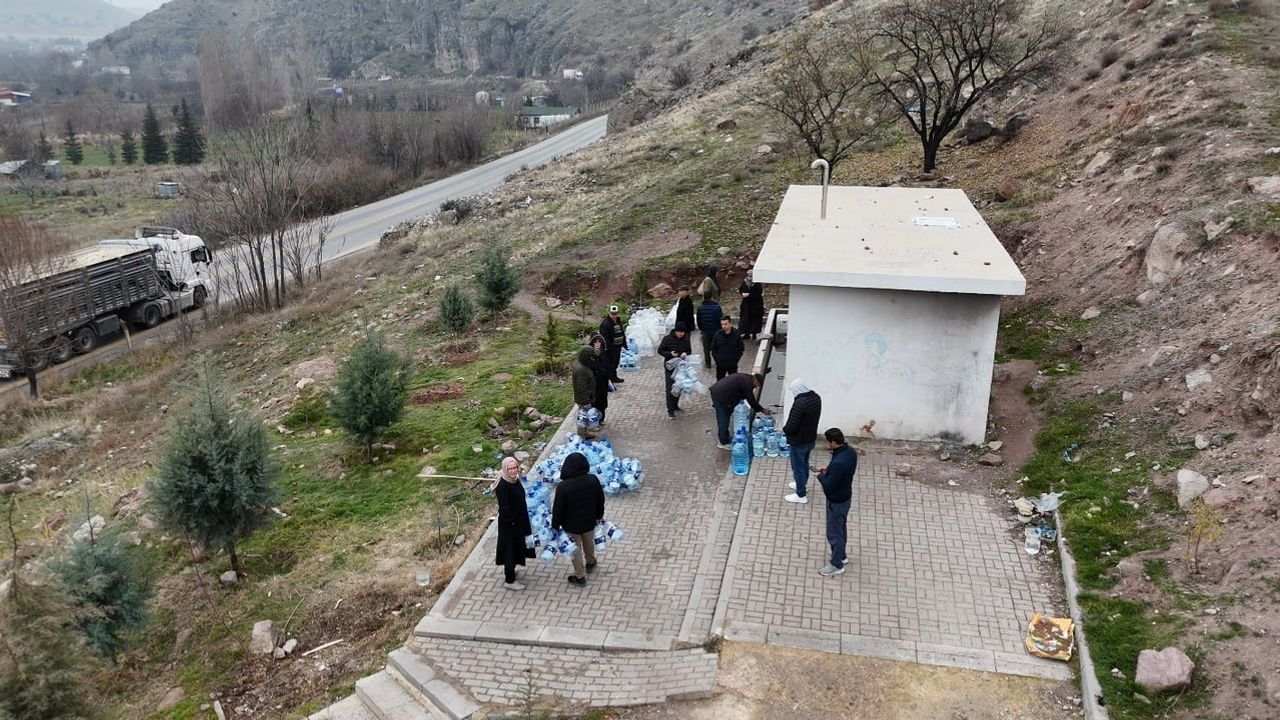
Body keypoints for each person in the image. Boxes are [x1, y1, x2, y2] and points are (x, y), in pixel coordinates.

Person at [552, 452, 605, 587]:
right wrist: (599, 515)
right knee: (589, 542)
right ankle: (590, 562)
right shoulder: (593, 479)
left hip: (571, 525)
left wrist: (555, 526)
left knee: (575, 550)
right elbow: (600, 499)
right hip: (589, 521)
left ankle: (579, 576)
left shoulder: (563, 486)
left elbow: (558, 509)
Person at [815, 428, 857, 577]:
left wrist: (821, 477)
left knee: (834, 533)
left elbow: (829, 485)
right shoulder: (850, 452)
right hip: (846, 496)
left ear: (833, 442)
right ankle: (841, 555)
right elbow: (838, 473)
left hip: (836, 501)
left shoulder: (839, 462)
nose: (828, 445)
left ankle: (836, 564)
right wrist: (829, 471)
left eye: (828, 443)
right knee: (841, 529)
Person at [493, 457, 534, 591]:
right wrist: (512, 522)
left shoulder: (514, 480)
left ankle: (511, 571)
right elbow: (504, 508)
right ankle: (509, 580)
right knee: (510, 550)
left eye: (514, 467)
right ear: (505, 469)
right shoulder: (503, 486)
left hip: (518, 521)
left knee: (516, 548)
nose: (513, 471)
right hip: (510, 525)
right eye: (509, 469)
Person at [782, 379, 822, 504]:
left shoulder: (799, 404)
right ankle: (802, 484)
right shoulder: (816, 398)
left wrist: (784, 430)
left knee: (798, 467)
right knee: (804, 463)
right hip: (810, 438)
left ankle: (801, 494)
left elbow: (791, 426)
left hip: (798, 441)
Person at [709, 372, 770, 450]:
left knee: (727, 414)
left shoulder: (746, 378)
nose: (756, 386)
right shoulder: (747, 383)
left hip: (722, 394)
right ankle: (723, 442)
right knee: (723, 419)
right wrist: (762, 410)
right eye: (757, 384)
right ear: (755, 380)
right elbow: (751, 399)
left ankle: (726, 437)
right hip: (719, 395)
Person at [657, 321, 692, 418]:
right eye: (679, 332)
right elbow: (660, 350)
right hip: (670, 367)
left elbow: (689, 350)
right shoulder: (667, 339)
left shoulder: (686, 339)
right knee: (670, 388)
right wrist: (670, 354)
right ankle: (670, 410)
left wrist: (686, 353)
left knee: (679, 386)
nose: (681, 334)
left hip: (681, 367)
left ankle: (675, 405)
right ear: (676, 331)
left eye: (682, 332)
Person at [571, 344, 597, 439]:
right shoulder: (581, 370)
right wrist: (586, 400)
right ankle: (582, 435)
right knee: (583, 417)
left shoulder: (582, 365)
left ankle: (584, 433)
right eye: (590, 357)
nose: (592, 359)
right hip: (584, 399)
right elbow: (581, 387)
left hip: (585, 397)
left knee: (584, 416)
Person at [710, 315, 744, 380]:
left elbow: (741, 348)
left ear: (730, 324)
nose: (724, 326)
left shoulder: (736, 334)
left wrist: (735, 360)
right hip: (720, 365)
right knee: (720, 382)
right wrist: (717, 360)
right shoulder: (718, 334)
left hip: (732, 365)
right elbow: (713, 348)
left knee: (733, 381)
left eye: (726, 324)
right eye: (722, 324)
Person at [695, 292, 723, 369]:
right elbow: (720, 319)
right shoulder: (717, 307)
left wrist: (702, 329)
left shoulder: (700, 308)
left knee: (706, 348)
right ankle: (718, 361)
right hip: (715, 331)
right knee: (716, 347)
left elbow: (698, 320)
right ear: (711, 297)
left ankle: (708, 363)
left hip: (705, 331)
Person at [599, 305, 626, 383]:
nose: (614, 316)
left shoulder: (618, 321)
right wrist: (610, 348)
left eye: (615, 314)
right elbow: (605, 338)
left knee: (615, 363)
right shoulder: (605, 324)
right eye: (612, 314)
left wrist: (624, 343)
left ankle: (614, 377)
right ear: (609, 313)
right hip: (610, 349)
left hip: (618, 347)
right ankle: (609, 379)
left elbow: (621, 333)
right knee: (609, 364)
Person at [588, 334, 611, 426]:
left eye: (599, 342)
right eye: (595, 342)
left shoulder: (605, 353)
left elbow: (608, 365)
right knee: (594, 401)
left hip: (603, 381)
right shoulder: (590, 355)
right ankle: (594, 419)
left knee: (603, 400)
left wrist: (607, 375)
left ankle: (601, 418)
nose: (597, 344)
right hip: (594, 382)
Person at [739, 272, 765, 340]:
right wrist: (742, 294)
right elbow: (741, 289)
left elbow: (759, 294)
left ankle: (754, 334)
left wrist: (749, 294)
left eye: (750, 276)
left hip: (756, 305)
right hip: (746, 304)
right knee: (746, 319)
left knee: (755, 320)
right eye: (748, 275)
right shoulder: (745, 282)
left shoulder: (757, 284)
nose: (749, 277)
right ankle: (746, 333)